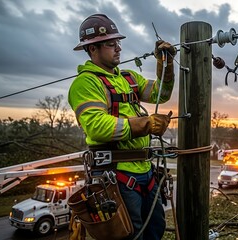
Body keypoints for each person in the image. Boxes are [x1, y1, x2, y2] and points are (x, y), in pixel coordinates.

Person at [68, 13, 176, 240]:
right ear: (93, 49)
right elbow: (97, 126)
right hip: (116, 175)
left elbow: (161, 95)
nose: (118, 48)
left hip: (145, 172)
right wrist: (146, 124)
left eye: (118, 43)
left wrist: (165, 64)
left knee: (155, 229)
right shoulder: (86, 83)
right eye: (111, 44)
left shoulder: (128, 78)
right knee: (129, 234)